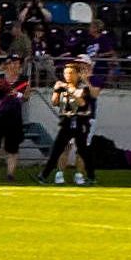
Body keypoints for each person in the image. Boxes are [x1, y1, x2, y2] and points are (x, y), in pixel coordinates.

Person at [46, 43, 97, 184]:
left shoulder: (92, 81)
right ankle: (59, 173)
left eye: (83, 65)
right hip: (70, 118)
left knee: (82, 149)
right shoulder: (71, 80)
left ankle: (79, 175)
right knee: (66, 147)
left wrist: (86, 80)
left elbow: (93, 94)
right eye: (78, 65)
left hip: (87, 119)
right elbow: (58, 101)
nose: (80, 68)